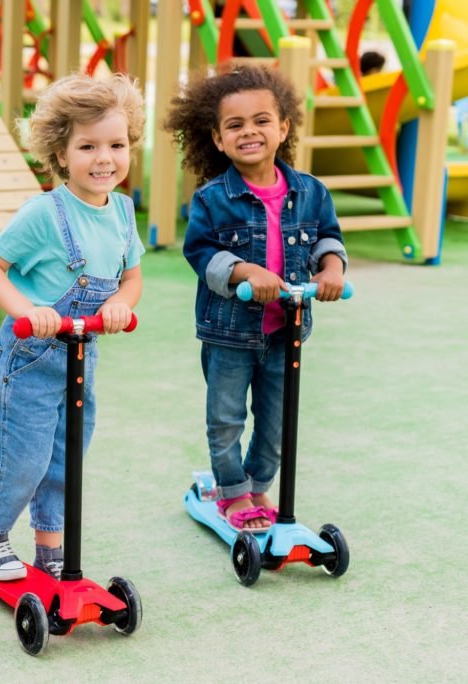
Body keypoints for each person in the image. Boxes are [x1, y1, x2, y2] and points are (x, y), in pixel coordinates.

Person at [0, 73, 146, 581]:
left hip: (80, 354)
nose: (104, 158)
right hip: (29, 358)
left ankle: (50, 546)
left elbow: (131, 279)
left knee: (67, 455)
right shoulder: (43, 213)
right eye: (88, 146)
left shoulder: (123, 212)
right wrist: (27, 311)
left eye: (116, 144)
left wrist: (119, 303)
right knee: (20, 453)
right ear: (61, 152)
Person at [164, 65, 347, 533]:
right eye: (235, 125)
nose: (250, 131)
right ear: (218, 139)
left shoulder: (311, 191)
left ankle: (258, 484)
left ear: (283, 128)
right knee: (225, 418)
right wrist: (245, 271)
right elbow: (201, 252)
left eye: (262, 120)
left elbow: (327, 237)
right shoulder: (211, 199)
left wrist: (332, 270)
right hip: (229, 332)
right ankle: (231, 492)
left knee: (277, 420)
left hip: (287, 330)